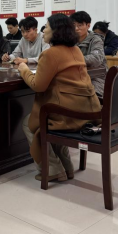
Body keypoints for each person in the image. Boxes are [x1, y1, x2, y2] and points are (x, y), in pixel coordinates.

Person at [19, 14, 101, 183]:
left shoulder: (50, 54)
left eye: (46, 27)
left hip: (68, 114)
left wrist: (24, 69)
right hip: (87, 110)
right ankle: (67, 166)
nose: (43, 31)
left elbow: (38, 85)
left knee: (30, 122)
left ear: (56, 31)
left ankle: (52, 168)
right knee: (53, 114)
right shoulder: (76, 50)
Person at [70, 12, 107, 97]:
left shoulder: (96, 40)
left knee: (90, 95)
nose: (76, 28)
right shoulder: (70, 40)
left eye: (80, 25)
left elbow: (96, 59)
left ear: (88, 25)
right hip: (76, 76)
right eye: (73, 25)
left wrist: (73, 60)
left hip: (96, 77)